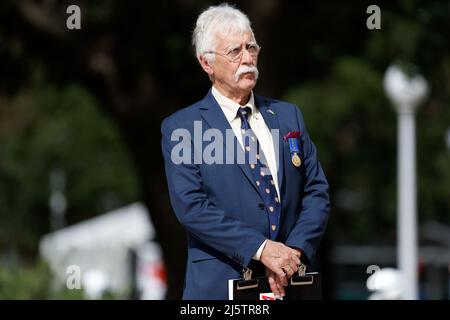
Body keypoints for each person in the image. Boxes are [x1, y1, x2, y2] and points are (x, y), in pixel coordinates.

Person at [161, 3, 330, 300]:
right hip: (221, 286)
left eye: (251, 48)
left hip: (290, 284)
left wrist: (294, 254)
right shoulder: (182, 127)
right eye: (234, 52)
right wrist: (262, 249)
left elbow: (316, 191)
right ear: (207, 63)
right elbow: (192, 207)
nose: (247, 59)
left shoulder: (288, 116)